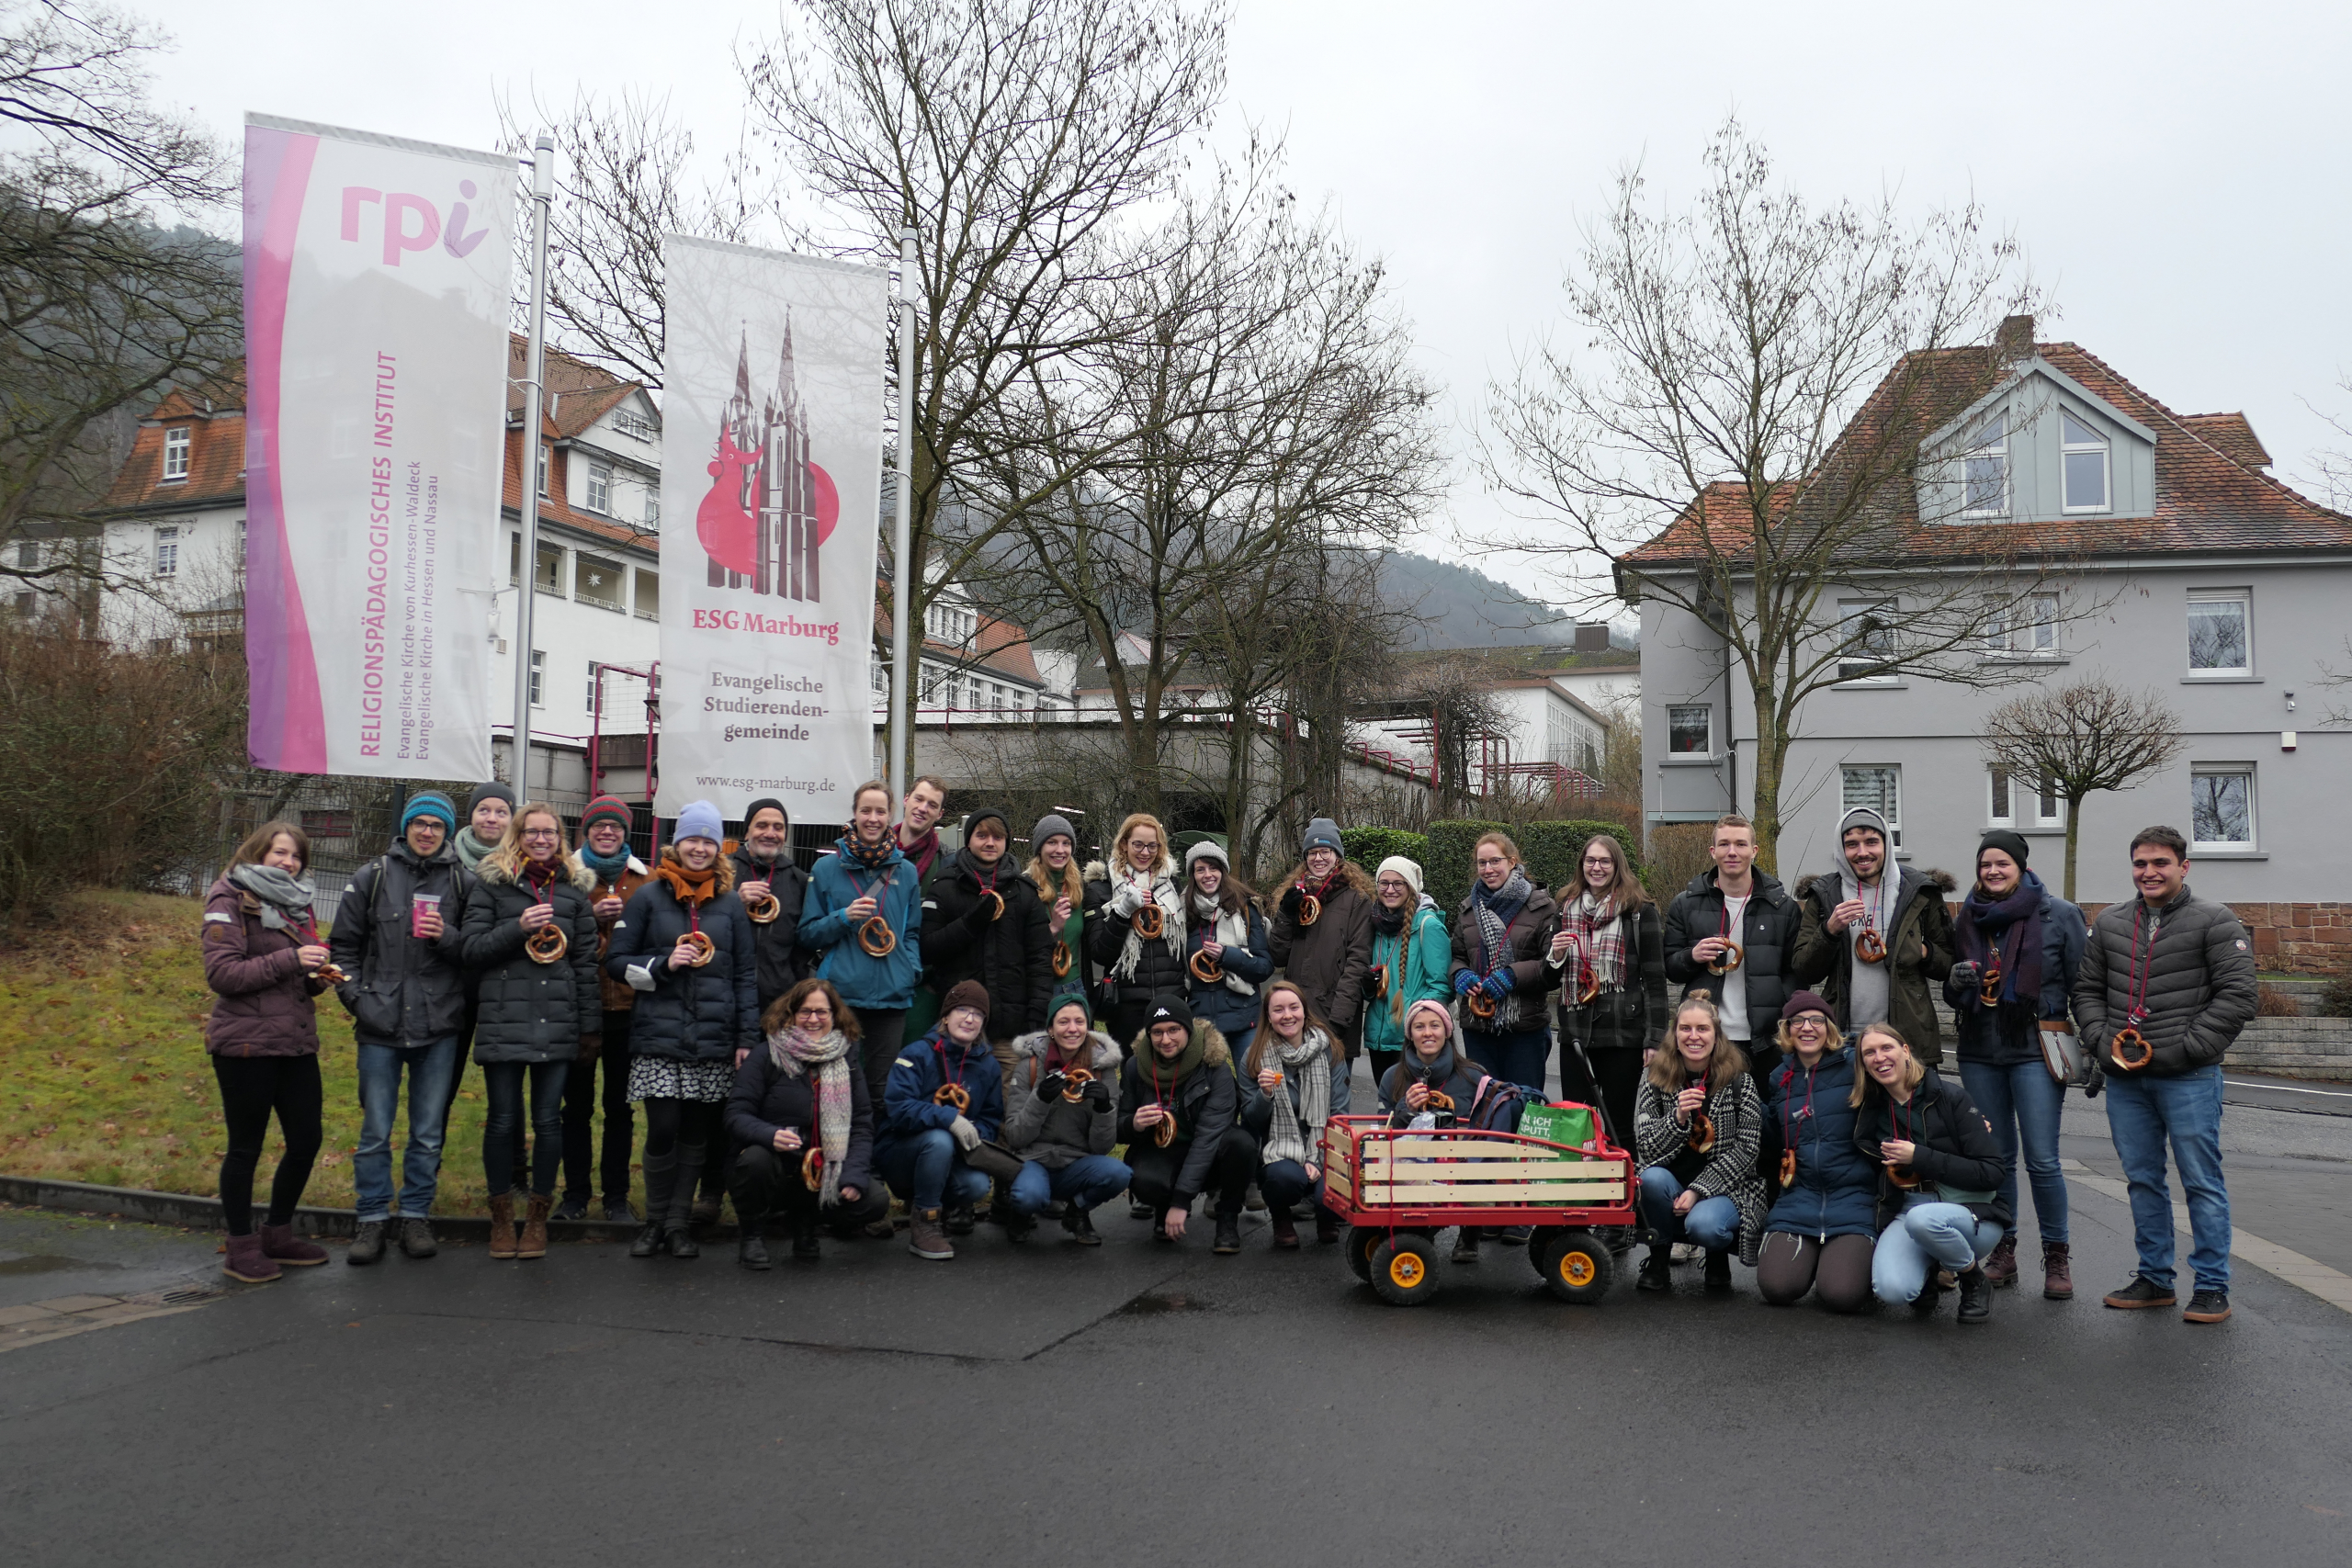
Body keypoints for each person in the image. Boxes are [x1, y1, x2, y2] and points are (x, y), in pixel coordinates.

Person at [2073, 825, 2256, 1325]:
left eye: (2160, 863)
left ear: (2183, 866)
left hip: (2189, 1077)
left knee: (2201, 1181)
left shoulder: (2215, 921)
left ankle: (2212, 1286)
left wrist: (2186, 1050)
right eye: (2140, 863)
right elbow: (2086, 990)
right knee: (2142, 1180)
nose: (2149, 872)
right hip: (2126, 1078)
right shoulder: (2110, 922)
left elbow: (2239, 996)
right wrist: (2101, 1042)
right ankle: (2155, 1278)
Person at [606, 800, 760, 1259]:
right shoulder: (648, 897)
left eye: (708, 841)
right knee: (663, 1129)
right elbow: (616, 963)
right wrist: (663, 964)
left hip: (713, 1038)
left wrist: (746, 1039)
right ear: (677, 843)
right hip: (659, 1037)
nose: (699, 848)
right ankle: (654, 1222)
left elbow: (745, 976)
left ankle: (677, 1225)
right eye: (692, 839)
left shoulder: (730, 905)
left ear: (718, 848)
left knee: (696, 1134)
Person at [1946, 829, 2090, 1299]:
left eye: (2002, 863)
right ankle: (2003, 1249)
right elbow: (1953, 991)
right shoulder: (1968, 915)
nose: (1992, 871)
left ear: (2021, 867)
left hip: (2036, 1048)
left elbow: (2083, 985)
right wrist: (1956, 981)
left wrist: (2093, 1044)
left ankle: (2056, 1256)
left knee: (2043, 1160)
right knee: (1997, 1158)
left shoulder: (2059, 914)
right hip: (1979, 1050)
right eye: (1985, 864)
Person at [328, 790, 470, 1264]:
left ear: (448, 832)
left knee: (427, 1133)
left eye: (437, 825)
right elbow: (342, 948)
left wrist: (447, 937)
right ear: (406, 827)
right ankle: (370, 1219)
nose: (427, 832)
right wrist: (357, 999)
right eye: (419, 823)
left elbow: (477, 950)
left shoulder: (464, 882)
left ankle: (414, 1215)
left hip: (438, 1025)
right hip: (379, 1025)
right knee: (375, 1131)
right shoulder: (371, 877)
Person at [460, 801, 603, 1261]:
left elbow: (585, 966)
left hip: (557, 1021)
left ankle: (538, 1218)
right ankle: (502, 1217)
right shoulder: (492, 884)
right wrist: (516, 928)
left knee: (547, 1122)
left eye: (549, 833)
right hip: (504, 1018)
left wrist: (589, 1030)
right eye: (531, 832)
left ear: (560, 839)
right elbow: (471, 949)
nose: (541, 840)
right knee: (502, 1120)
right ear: (516, 837)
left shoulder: (575, 892)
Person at [202, 820, 332, 1283]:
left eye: (296, 856)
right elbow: (223, 975)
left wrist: (319, 975)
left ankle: (277, 1234)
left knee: (306, 1140)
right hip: (245, 1044)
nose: (288, 862)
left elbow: (297, 981)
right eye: (280, 852)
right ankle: (240, 1246)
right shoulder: (229, 897)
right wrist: (291, 959)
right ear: (258, 852)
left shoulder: (297, 904)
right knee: (245, 1148)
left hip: (294, 1042)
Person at [1853, 1022, 2008, 1324]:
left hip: (1970, 1212)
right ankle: (1928, 1269)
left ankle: (1973, 1278)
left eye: (1887, 1048)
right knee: (1892, 1290)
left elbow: (1993, 1172)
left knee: (1923, 1220)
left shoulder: (1950, 1097)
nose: (1879, 1057)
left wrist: (1919, 1157)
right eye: (1869, 1053)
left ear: (1905, 1051)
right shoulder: (1870, 1108)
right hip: (1909, 1206)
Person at [725, 978, 886, 1267]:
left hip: (824, 1165)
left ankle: (805, 1224)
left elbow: (862, 1124)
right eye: (805, 1011)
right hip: (777, 1164)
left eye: (822, 1012)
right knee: (755, 1161)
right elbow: (736, 1114)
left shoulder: (847, 1059)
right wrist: (769, 1134)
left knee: (875, 1201)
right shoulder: (766, 1054)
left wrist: (854, 1174)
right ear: (790, 1014)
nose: (813, 1019)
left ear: (834, 1015)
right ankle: (752, 1236)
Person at [798, 781, 925, 1128]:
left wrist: (910, 970)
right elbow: (807, 934)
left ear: (890, 815)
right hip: (841, 997)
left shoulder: (905, 872)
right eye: (865, 810)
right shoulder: (826, 869)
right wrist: (843, 917)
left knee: (880, 1093)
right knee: (835, 1088)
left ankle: (869, 1159)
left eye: (880, 811)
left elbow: (911, 932)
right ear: (854, 814)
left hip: (892, 996)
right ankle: (833, 1155)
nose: (873, 818)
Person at [1792, 805, 1958, 1066]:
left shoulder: (1919, 891)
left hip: (1905, 1035)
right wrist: (1829, 930)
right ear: (1840, 849)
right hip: (1842, 1035)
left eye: (1871, 842)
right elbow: (1804, 970)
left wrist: (1923, 951)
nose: (1862, 852)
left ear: (1886, 844)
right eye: (1851, 844)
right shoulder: (1824, 894)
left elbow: (1948, 964)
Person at [1632, 991, 1765, 1293]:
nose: (1694, 1036)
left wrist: (1697, 1191)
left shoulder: (1740, 1081)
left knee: (1704, 1226)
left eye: (1702, 1029)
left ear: (1716, 1035)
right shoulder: (1654, 1077)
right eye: (1685, 1028)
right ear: (1674, 1034)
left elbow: (1747, 1150)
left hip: (1727, 1188)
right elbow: (1646, 1146)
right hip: (1671, 1182)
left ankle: (1717, 1256)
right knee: (1649, 1179)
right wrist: (1677, 1117)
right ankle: (1659, 1257)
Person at [1755, 993, 1876, 1313]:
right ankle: (1815, 1261)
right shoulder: (1779, 1078)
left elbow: (1906, 1087)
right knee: (1777, 1288)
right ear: (1787, 1029)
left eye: (1817, 1020)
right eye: (1798, 1021)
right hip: (1798, 1199)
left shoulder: (1856, 1068)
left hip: (1854, 1200)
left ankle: (1841, 1264)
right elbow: (1773, 1139)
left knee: (1841, 1295)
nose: (1807, 1028)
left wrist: (1963, 1116)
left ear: (1829, 1028)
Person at [560, 795, 650, 1223]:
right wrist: (591, 917)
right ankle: (574, 1196)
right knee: (575, 1109)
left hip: (629, 1011)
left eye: (615, 826)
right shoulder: (567, 876)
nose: (607, 832)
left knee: (619, 1109)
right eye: (599, 825)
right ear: (587, 831)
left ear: (626, 832)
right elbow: (553, 935)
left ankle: (616, 1197)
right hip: (580, 1009)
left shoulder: (646, 880)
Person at [1550, 833, 1666, 1156]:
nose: (1597, 867)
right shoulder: (1564, 908)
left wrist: (1655, 1039)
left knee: (1619, 1128)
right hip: (1575, 1034)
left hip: (1622, 1035)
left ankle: (1622, 1186)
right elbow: (1550, 977)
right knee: (1576, 1125)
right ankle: (1580, 1187)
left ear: (1617, 866)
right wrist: (1554, 955)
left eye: (1605, 861)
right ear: (1581, 865)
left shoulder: (1639, 911)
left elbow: (1655, 979)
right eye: (1591, 860)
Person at [876, 979, 1007, 1261]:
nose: (970, 1019)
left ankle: (940, 1208)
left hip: (952, 1155)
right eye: (962, 1010)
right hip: (900, 1151)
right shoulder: (915, 1054)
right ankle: (926, 1222)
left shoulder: (988, 1065)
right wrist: (949, 1119)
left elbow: (991, 1118)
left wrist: (974, 1132)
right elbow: (898, 1108)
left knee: (977, 1185)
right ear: (946, 1016)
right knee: (939, 1139)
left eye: (978, 1014)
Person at [1663, 814, 1801, 1080]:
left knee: (1765, 1107)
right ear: (1713, 852)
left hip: (1766, 1039)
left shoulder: (1782, 908)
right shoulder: (1685, 904)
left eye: (1740, 844)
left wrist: (1778, 1008)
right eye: (1724, 844)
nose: (1732, 852)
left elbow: (1795, 972)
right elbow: (1670, 968)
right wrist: (1692, 956)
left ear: (1754, 851)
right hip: (1708, 1037)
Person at [1118, 996, 1256, 1255]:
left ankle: (1227, 1219)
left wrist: (1182, 1201)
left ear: (1188, 1030)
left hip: (1207, 1150)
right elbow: (1117, 1126)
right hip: (1161, 1150)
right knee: (1144, 1181)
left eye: (1174, 1030)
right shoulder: (1136, 1066)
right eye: (1157, 1032)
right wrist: (1133, 1124)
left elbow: (1208, 1137)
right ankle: (1162, 1208)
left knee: (1242, 1145)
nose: (1166, 1039)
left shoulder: (1214, 1067)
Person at [920, 805, 1054, 1070]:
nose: (990, 843)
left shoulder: (1025, 892)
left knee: (1009, 1095)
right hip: (959, 1027)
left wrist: (1036, 1015)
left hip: (1011, 1030)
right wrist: (970, 923)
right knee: (959, 1093)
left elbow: (1040, 958)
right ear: (969, 840)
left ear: (1006, 841)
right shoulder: (944, 886)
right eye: (982, 835)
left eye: (997, 837)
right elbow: (927, 949)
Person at [998, 992, 1129, 1245]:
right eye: (1063, 1022)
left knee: (1119, 1173)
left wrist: (1103, 1108)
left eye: (1079, 1022)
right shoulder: (1029, 1066)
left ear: (1088, 1027)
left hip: (1076, 1165)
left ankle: (1076, 1212)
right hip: (1033, 1161)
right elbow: (1015, 1137)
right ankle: (1021, 1212)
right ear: (1050, 1029)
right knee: (1029, 1196)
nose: (1072, 1029)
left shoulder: (1102, 1070)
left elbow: (1102, 1147)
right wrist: (1040, 1099)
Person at [1238, 979, 1350, 1249]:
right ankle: (1281, 1217)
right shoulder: (1253, 1057)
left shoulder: (1330, 1051)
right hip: (1280, 1150)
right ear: (1268, 1017)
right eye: (1278, 1010)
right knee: (1284, 1180)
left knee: (1332, 1194)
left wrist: (1318, 1160)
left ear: (1304, 1011)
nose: (1287, 1015)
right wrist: (1265, 1095)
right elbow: (1252, 1121)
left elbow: (1339, 1115)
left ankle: (1326, 1216)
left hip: (1324, 1145)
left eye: (1293, 1007)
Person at [1449, 830, 1560, 1096]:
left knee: (1523, 1103)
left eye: (1495, 861)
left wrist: (1512, 976)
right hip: (1478, 1027)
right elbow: (1456, 956)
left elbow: (1552, 967)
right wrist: (1460, 974)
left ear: (1512, 862)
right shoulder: (1469, 909)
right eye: (1482, 863)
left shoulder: (1542, 907)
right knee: (1484, 1104)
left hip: (1525, 1028)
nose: (1488, 869)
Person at [444, 780, 518, 1177]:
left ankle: (516, 1171)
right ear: (470, 815)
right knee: (443, 1081)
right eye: (484, 809)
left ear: (512, 819)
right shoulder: (446, 861)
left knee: (507, 1090)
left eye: (501, 811)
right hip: (451, 988)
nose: (492, 818)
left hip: (504, 990)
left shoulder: (522, 866)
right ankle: (428, 1166)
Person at [1268, 817, 1374, 1064]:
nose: (1318, 858)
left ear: (1337, 856)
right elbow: (1277, 956)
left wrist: (1339, 1019)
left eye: (1325, 851)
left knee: (1332, 1088)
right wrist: (1286, 915)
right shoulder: (1295, 895)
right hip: (1295, 1014)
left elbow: (1357, 961)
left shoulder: (1357, 900)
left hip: (1334, 1015)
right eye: (1312, 852)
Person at [1083, 813, 1191, 1050]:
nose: (1145, 852)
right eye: (1138, 844)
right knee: (1134, 1068)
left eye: (1152, 845)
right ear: (1124, 844)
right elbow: (1100, 953)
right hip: (1126, 1003)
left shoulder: (1171, 884)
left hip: (1171, 996)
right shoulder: (1101, 889)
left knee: (1171, 1067)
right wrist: (1122, 912)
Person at [1361, 855, 1451, 1091]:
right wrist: (1367, 986)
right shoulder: (1374, 924)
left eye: (1398, 883)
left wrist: (1416, 1020)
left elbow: (1442, 986)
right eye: (1384, 883)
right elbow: (1371, 986)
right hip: (1378, 1038)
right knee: (1388, 1105)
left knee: (1414, 1107)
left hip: (1412, 1039)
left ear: (1410, 887)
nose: (1390, 890)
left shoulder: (1428, 925)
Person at [1181, 840, 1272, 1061]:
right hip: (1200, 1020)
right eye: (1200, 869)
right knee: (1206, 1083)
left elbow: (1264, 967)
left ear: (1223, 871)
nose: (1207, 875)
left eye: (1213, 868)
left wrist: (1226, 956)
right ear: (1192, 875)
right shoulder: (1180, 912)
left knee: (1251, 1079)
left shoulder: (1245, 909)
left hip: (1244, 1017)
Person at [729, 795, 812, 1011]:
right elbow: (703, 923)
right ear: (747, 832)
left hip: (779, 1001)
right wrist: (733, 902)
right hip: (726, 994)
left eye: (778, 827)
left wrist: (795, 989)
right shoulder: (723, 871)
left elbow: (802, 946)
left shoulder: (798, 880)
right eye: (762, 825)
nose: (770, 833)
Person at [888, 774, 953, 1042]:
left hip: (922, 992)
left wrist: (933, 984)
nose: (923, 808)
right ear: (906, 799)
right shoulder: (873, 854)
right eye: (919, 799)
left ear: (940, 814)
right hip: (873, 980)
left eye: (932, 804)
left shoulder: (948, 866)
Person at [1025, 813, 1089, 998]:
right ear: (1039, 848)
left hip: (1076, 988)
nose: (1060, 850)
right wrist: (1052, 928)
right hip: (1039, 989)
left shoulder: (1081, 888)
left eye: (1066, 843)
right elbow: (1016, 946)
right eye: (1052, 842)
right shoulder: (1025, 888)